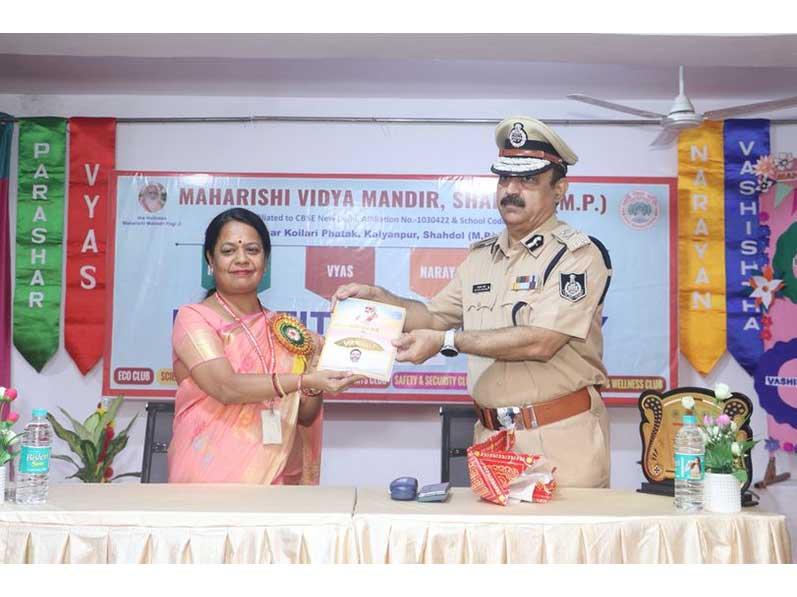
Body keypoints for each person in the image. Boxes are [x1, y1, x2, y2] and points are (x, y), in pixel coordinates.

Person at [333, 116, 613, 488]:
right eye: (504, 179)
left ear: (559, 189)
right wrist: (381, 301)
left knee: (560, 547)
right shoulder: (481, 257)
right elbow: (433, 317)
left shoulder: (576, 256)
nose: (511, 190)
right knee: (493, 548)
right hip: (493, 439)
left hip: (560, 440)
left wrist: (449, 341)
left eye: (527, 180)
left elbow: (541, 340)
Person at [168, 208, 362, 484]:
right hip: (208, 474)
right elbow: (226, 387)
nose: (242, 259)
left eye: (252, 249)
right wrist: (303, 378)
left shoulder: (284, 330)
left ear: (266, 260)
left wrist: (317, 366)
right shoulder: (194, 319)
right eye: (228, 251)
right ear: (210, 260)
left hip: (275, 474)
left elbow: (305, 416)